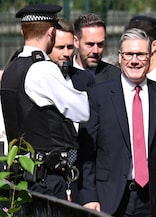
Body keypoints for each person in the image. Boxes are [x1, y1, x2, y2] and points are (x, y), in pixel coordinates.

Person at [78, 28, 156, 217]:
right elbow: (87, 152)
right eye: (129, 54)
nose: (134, 60)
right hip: (108, 200)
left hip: (152, 200)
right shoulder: (98, 95)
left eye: (141, 55)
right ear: (120, 57)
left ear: (150, 57)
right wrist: (89, 196)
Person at [0, 4, 89, 200]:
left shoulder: (11, 68)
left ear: (23, 30)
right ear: (51, 33)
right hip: (45, 179)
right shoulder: (43, 69)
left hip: (21, 176)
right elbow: (82, 110)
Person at [48, 18, 95, 91]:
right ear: (48, 46)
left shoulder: (86, 79)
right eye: (61, 47)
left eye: (70, 47)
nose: (66, 53)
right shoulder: (37, 79)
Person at [73, 13, 121, 84]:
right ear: (76, 42)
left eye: (100, 44)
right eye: (90, 44)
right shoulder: (62, 74)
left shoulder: (115, 77)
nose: (96, 51)